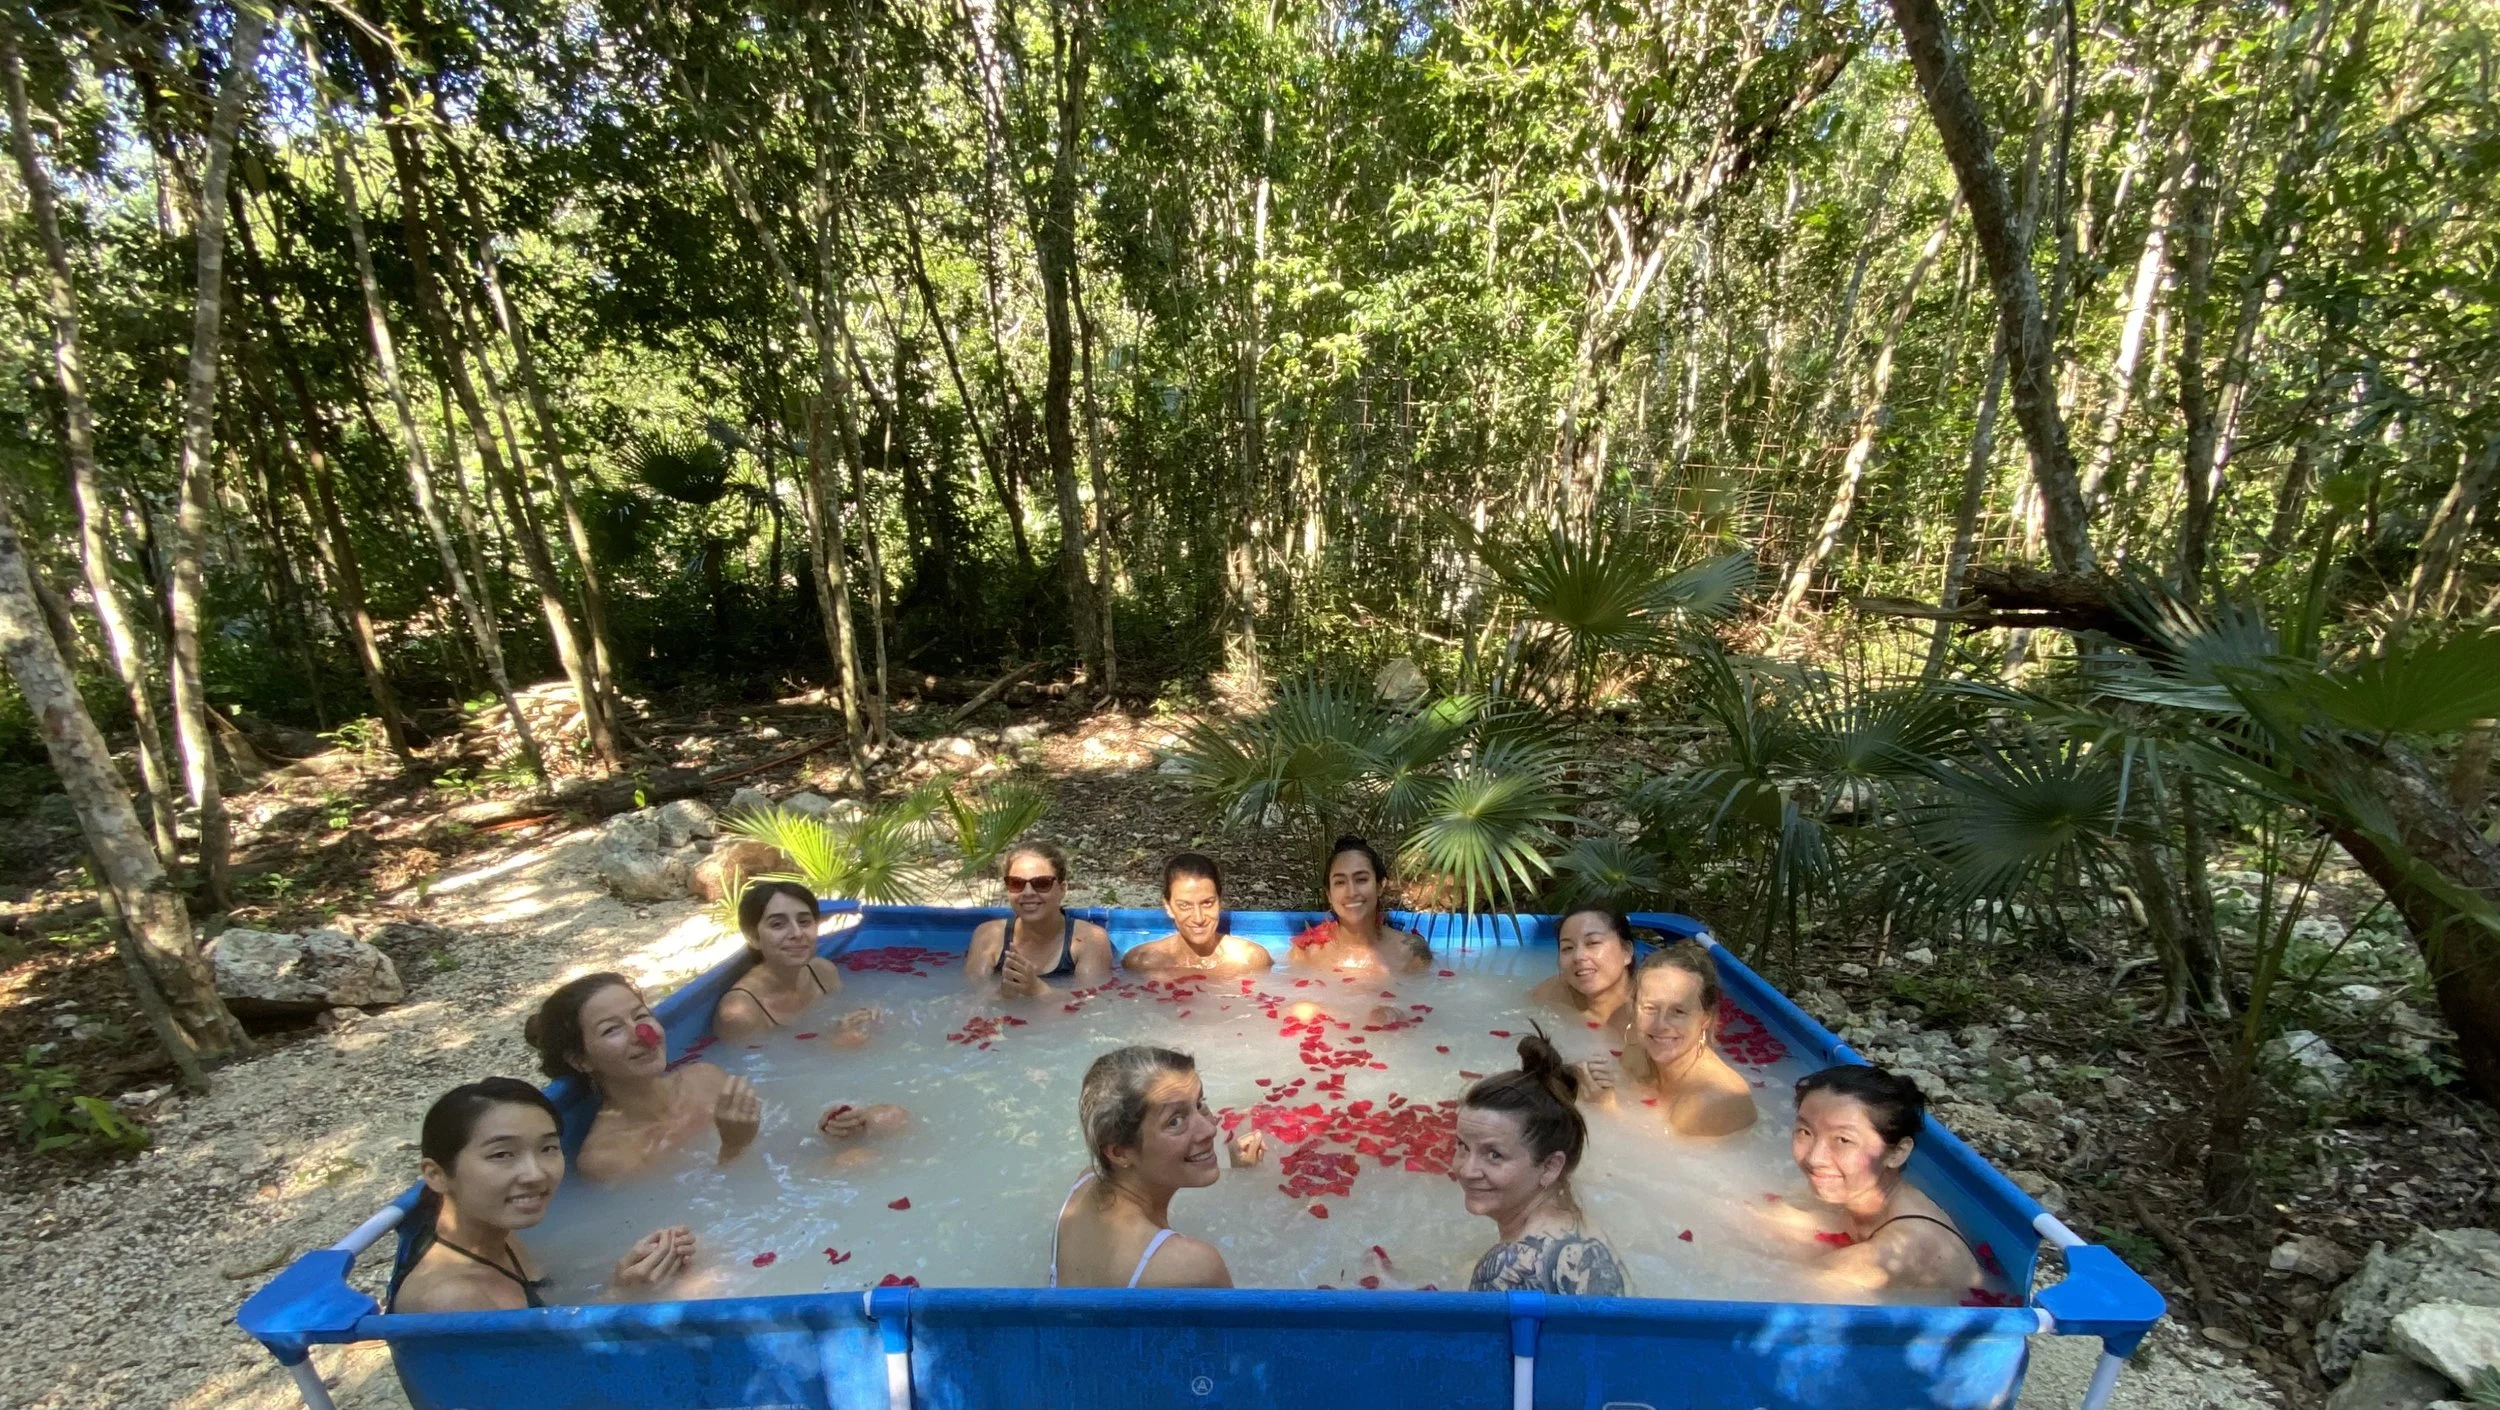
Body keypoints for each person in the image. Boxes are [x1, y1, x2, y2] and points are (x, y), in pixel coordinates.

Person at [527, 972, 885, 1182]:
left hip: (785, 1175)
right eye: (611, 1030)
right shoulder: (607, 1156)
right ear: (581, 1060)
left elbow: (784, 1135)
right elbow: (703, 1219)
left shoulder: (704, 1077)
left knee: (889, 1118)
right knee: (860, 1164)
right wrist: (733, 1147)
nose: (642, 1034)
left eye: (641, 1016)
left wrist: (826, 1128)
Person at [386, 1078, 694, 1313]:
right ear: (436, 1175)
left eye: (547, 1148)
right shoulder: (450, 1300)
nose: (535, 1174)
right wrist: (621, 1297)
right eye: (502, 1154)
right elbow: (554, 1386)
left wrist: (627, 1277)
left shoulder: (492, 1233)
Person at [1048, 1045, 1265, 1288]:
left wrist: (1240, 1174)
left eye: (1200, 1103)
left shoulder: (1084, 1186)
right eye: (1175, 1121)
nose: (1210, 1129)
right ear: (1119, 1152)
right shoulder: (1190, 1267)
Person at [1776, 1065, 1981, 1294]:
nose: (1815, 1158)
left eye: (1843, 1140)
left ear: (1897, 1153)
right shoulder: (1856, 1194)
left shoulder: (1901, 1249)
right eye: (1805, 1131)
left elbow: (1783, 1291)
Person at [1455, 1031, 1628, 1296]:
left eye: (1494, 1155)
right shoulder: (1578, 1225)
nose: (1466, 1170)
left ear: (1550, 1166)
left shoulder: (1506, 1271)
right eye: (1463, 1147)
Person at [1606, 941, 1758, 1136]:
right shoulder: (1636, 1056)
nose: (1660, 1025)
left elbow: (1658, 1158)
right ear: (1634, 1008)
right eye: (1650, 1008)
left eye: (1678, 1011)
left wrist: (1606, 1106)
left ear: (1706, 1018)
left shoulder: (1715, 1098)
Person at [713, 880, 879, 1045]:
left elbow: (839, 1016)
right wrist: (836, 1046)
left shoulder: (822, 972)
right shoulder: (740, 1012)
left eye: (804, 921)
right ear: (753, 938)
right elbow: (760, 1069)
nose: (797, 933)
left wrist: (863, 1018)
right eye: (777, 924)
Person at [966, 840, 1115, 999]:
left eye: (1041, 883)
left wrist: (1039, 991)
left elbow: (1094, 1005)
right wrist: (1003, 995)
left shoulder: (1090, 940)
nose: (1028, 892)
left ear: (1062, 889)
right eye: (1016, 883)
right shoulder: (988, 936)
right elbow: (970, 997)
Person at [1290, 836, 1431, 974]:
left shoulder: (1411, 952)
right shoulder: (1307, 953)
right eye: (1340, 882)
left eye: (1361, 880)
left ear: (1380, 886)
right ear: (1329, 894)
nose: (1351, 892)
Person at [1120, 853, 1273, 974]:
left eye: (1207, 903)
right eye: (1185, 905)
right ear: (1168, 907)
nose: (1198, 918)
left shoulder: (1250, 959)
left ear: (1220, 901)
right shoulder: (1142, 963)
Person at [1527, 906, 1639, 1048]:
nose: (1578, 956)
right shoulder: (1554, 994)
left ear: (1626, 952)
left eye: (1593, 943)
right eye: (1567, 948)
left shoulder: (1649, 1014)